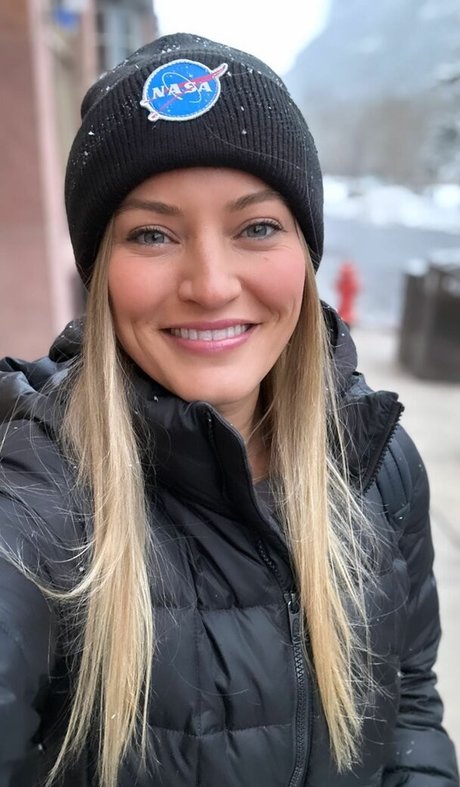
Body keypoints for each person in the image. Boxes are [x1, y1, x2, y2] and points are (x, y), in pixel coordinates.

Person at [0, 32, 457, 787]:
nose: (211, 285)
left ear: (305, 253)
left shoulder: (379, 463)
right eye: (152, 234)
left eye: (257, 228)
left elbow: (408, 705)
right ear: (101, 271)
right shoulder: (39, 499)